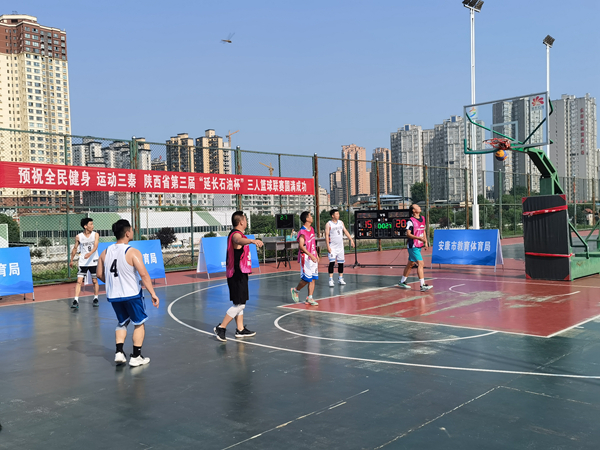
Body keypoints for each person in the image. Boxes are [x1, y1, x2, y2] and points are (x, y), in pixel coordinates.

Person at [97, 219, 160, 367]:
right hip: (131, 294)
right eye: (131, 230)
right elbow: (144, 275)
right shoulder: (132, 252)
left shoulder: (105, 252)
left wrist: (112, 283)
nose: (132, 232)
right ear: (127, 233)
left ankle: (119, 352)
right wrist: (153, 293)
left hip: (113, 295)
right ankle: (136, 356)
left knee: (122, 322)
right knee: (139, 323)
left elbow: (99, 274)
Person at [214, 211, 264, 342]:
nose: (247, 221)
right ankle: (221, 327)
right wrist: (252, 241)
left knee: (239, 303)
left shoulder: (239, 234)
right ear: (241, 222)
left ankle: (240, 329)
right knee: (240, 305)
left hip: (240, 273)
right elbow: (238, 240)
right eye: (245, 219)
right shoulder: (236, 234)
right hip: (236, 274)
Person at [398, 204, 433, 292]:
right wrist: (418, 238)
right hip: (413, 245)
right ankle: (422, 285)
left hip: (419, 245)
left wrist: (425, 242)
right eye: (417, 206)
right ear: (413, 210)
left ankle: (402, 281)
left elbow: (423, 230)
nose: (419, 207)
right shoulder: (410, 221)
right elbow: (408, 234)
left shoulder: (423, 218)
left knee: (410, 264)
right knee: (421, 264)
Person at [69, 218, 100, 309]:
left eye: (92, 224)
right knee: (79, 281)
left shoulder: (95, 234)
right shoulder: (79, 236)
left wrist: (90, 254)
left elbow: (95, 246)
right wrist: (71, 260)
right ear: (85, 226)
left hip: (93, 261)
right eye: (91, 224)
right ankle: (76, 300)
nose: (92, 226)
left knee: (94, 281)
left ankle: (95, 298)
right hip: (83, 262)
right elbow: (75, 248)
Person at [290, 211, 319, 306]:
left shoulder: (312, 229)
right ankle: (296, 290)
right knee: (307, 279)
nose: (312, 217)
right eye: (310, 216)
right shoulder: (302, 231)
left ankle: (310, 297)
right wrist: (310, 255)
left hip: (313, 256)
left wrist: (316, 254)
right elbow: (301, 246)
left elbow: (313, 243)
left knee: (313, 278)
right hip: (305, 257)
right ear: (307, 219)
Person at [325, 209, 354, 287]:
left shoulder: (341, 222)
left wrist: (351, 239)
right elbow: (326, 235)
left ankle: (340, 278)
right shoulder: (329, 224)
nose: (338, 215)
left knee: (341, 263)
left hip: (340, 247)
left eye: (338, 214)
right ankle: (331, 279)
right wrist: (328, 246)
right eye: (336, 214)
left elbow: (345, 231)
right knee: (332, 263)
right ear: (332, 216)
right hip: (332, 247)